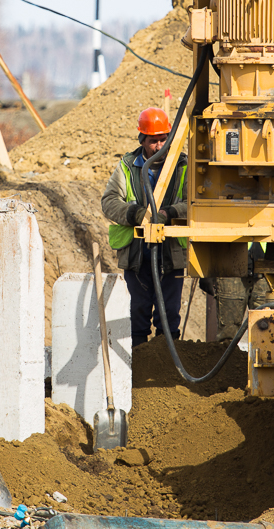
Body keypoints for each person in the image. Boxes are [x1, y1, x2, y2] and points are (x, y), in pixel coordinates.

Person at [101, 107, 188, 348]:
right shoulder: (128, 167)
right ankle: (138, 362)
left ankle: (167, 366)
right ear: (142, 139)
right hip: (137, 254)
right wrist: (136, 214)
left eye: (163, 139)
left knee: (169, 314)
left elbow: (195, 203)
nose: (159, 146)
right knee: (137, 312)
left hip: (171, 254)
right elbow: (109, 202)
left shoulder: (183, 165)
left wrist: (169, 213)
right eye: (153, 141)